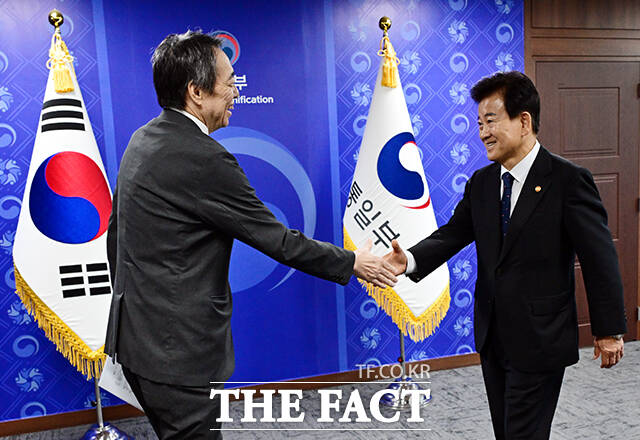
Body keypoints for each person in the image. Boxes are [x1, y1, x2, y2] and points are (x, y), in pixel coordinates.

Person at [104, 30, 397, 440]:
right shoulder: (204, 158)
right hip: (177, 354)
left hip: (137, 342)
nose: (236, 92)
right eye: (229, 82)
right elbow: (279, 240)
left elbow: (115, 237)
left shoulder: (144, 138)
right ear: (196, 92)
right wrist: (354, 262)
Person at [384, 71, 626, 439]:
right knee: (506, 430)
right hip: (493, 335)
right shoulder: (482, 182)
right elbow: (453, 233)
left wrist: (608, 330)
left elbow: (599, 258)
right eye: (480, 124)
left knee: (523, 433)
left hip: (540, 337)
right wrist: (410, 260)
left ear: (524, 121)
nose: (483, 132)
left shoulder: (567, 180)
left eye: (491, 120)